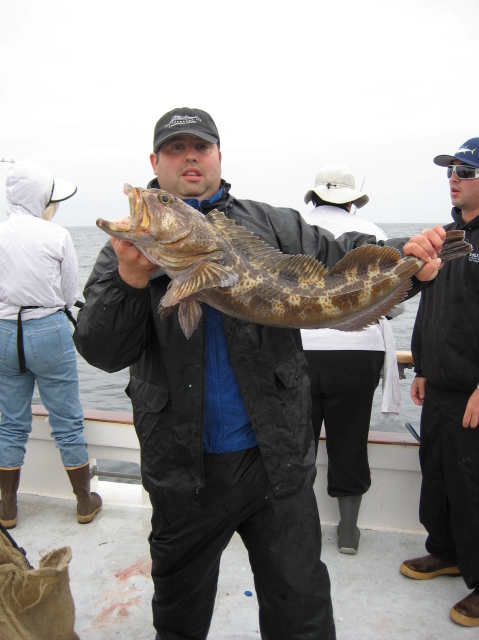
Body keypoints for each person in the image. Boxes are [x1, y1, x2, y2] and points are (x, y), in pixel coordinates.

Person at [73, 107, 446, 640]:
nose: (190, 157)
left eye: (200, 147)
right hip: (182, 469)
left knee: (301, 608)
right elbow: (101, 350)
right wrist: (131, 281)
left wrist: (409, 265)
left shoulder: (275, 223)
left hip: (276, 462)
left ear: (220, 156)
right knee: (179, 614)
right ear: (155, 161)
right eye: (175, 150)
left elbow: (339, 262)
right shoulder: (130, 250)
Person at [301, 162, 403, 555]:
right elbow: (391, 306)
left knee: (298, 443)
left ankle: (301, 526)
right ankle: (348, 531)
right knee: (350, 439)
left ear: (314, 196)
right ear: (353, 201)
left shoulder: (294, 227)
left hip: (303, 351)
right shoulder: (375, 234)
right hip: (358, 354)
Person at [400, 138, 479, 627]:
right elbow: (430, 304)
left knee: (474, 485)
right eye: (451, 169)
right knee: (441, 475)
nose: (454, 177)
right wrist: (424, 364)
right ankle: (447, 551)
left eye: (466, 170)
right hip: (442, 384)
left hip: (475, 392)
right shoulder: (446, 237)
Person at [0, 160, 102, 529]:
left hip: (5, 332)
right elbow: (68, 293)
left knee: (11, 422)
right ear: (42, 197)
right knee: (67, 421)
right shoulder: (56, 236)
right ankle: (84, 501)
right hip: (47, 330)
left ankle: (7, 506)